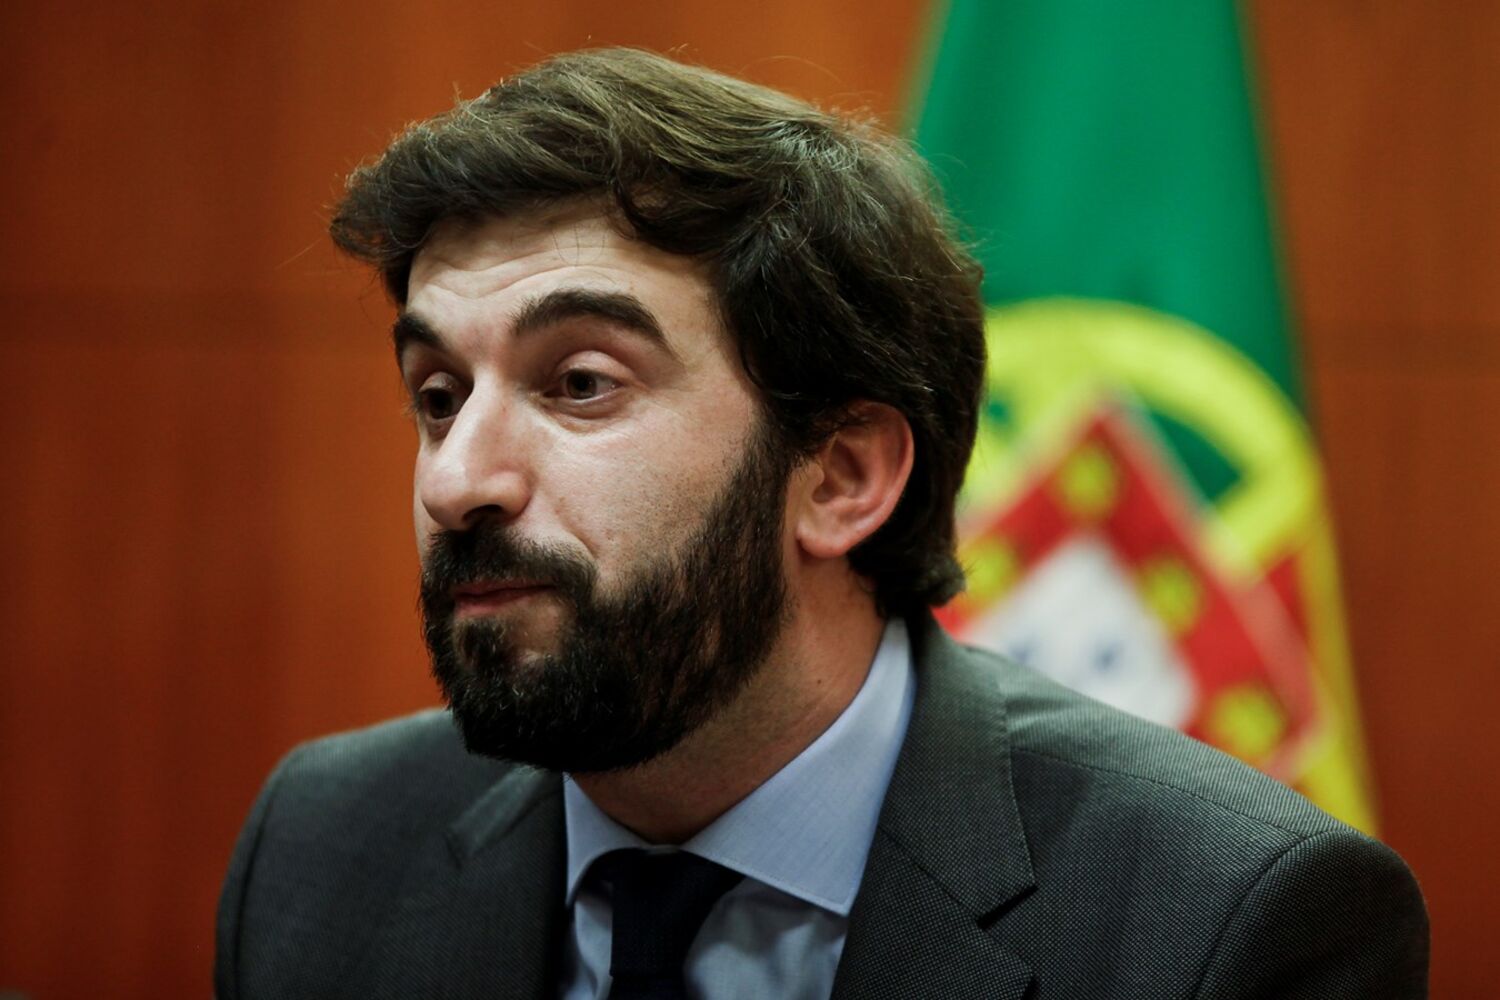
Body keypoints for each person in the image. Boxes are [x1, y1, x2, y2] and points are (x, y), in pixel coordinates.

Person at [214, 48, 1428, 1000]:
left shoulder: (1222, 919)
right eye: (438, 395)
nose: (455, 482)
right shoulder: (324, 849)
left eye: (580, 383)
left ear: (842, 477)